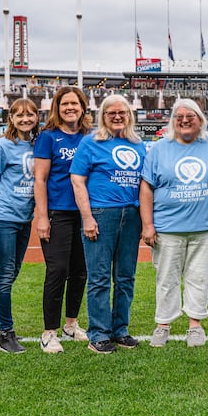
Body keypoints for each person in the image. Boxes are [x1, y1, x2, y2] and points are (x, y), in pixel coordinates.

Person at [140, 99, 208, 348]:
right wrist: (147, 225)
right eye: (179, 117)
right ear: (172, 121)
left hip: (206, 226)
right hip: (168, 227)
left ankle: (195, 325)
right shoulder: (160, 148)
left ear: (200, 120)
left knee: (199, 277)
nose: (184, 121)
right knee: (166, 277)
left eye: (190, 116)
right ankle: (163, 324)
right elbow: (146, 187)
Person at [70, 94, 145, 354]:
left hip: (132, 215)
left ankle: (120, 330)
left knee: (125, 277)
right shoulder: (91, 142)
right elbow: (78, 181)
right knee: (100, 277)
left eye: (122, 112)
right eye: (111, 112)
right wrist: (88, 217)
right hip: (102, 213)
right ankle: (99, 333)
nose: (117, 116)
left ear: (129, 115)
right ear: (102, 116)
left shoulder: (138, 144)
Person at [33, 86, 91, 354]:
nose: (70, 108)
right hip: (58, 213)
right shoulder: (48, 137)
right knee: (57, 271)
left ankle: (71, 324)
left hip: (85, 214)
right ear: (57, 107)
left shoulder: (89, 137)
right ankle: (49, 332)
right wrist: (42, 217)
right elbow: (40, 179)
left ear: (82, 107)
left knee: (80, 271)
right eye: (65, 103)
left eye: (75, 104)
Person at [0, 98, 39, 353]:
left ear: (36, 117)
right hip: (4, 218)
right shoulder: (2, 145)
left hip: (25, 218)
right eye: (20, 115)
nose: (25, 119)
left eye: (30, 115)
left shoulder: (38, 145)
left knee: (11, 273)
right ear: (11, 119)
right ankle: (6, 333)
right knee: (5, 275)